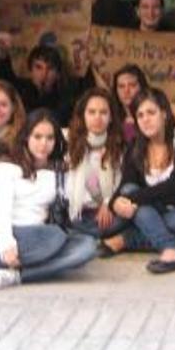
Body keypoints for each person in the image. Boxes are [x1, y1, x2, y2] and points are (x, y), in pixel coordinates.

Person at [0, 109, 97, 292]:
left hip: (39, 238)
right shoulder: (7, 165)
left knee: (87, 247)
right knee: (55, 235)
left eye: (50, 138)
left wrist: (75, 156)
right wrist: (7, 244)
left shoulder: (59, 172)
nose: (43, 144)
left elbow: (85, 200)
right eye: (37, 136)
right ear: (26, 137)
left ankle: (15, 275)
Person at [100, 89, 175, 273]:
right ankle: (172, 249)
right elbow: (124, 186)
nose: (146, 119)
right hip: (151, 212)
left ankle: (127, 239)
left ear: (165, 114)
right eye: (140, 115)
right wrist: (115, 202)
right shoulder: (136, 146)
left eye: (151, 113)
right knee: (130, 192)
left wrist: (131, 199)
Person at [65, 88, 126, 240]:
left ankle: (86, 236)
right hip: (78, 211)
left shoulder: (120, 146)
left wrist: (108, 204)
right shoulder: (68, 142)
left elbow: (122, 182)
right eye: (91, 112)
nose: (97, 118)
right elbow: (67, 185)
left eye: (103, 112)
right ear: (83, 116)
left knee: (128, 216)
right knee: (75, 224)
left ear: (111, 117)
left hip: (109, 211)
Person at [0, 42, 93, 126]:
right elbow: (4, 81)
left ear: (57, 74)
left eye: (50, 69)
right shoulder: (21, 90)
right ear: (30, 70)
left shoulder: (66, 97)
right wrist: (3, 55)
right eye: (38, 67)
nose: (44, 74)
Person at [111, 64, 149, 142]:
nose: (126, 91)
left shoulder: (152, 116)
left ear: (142, 87)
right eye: (121, 86)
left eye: (132, 85)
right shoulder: (110, 118)